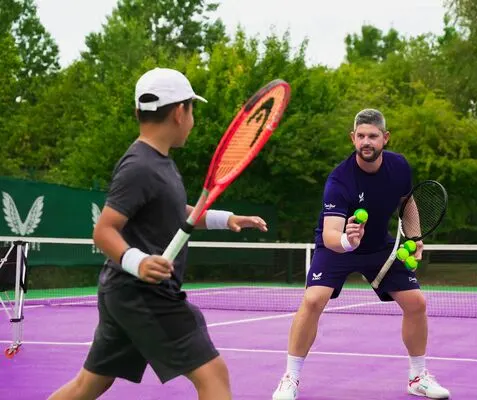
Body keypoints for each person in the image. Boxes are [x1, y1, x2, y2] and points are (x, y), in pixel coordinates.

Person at [48, 67, 268, 400]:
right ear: (180, 112)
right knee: (213, 375)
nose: (193, 119)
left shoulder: (159, 162)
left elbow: (177, 213)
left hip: (124, 293)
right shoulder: (139, 166)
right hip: (142, 294)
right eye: (192, 110)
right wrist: (138, 262)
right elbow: (103, 230)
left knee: (90, 384)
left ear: (139, 112)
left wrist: (227, 219)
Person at [272, 109, 450, 400]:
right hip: (337, 248)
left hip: (380, 248)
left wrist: (415, 236)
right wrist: (347, 239)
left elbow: (408, 204)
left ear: (385, 138)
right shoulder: (340, 180)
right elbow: (330, 235)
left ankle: (417, 377)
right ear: (353, 138)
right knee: (313, 299)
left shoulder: (400, 167)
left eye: (373, 136)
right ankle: (290, 378)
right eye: (361, 136)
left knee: (416, 303)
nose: (367, 141)